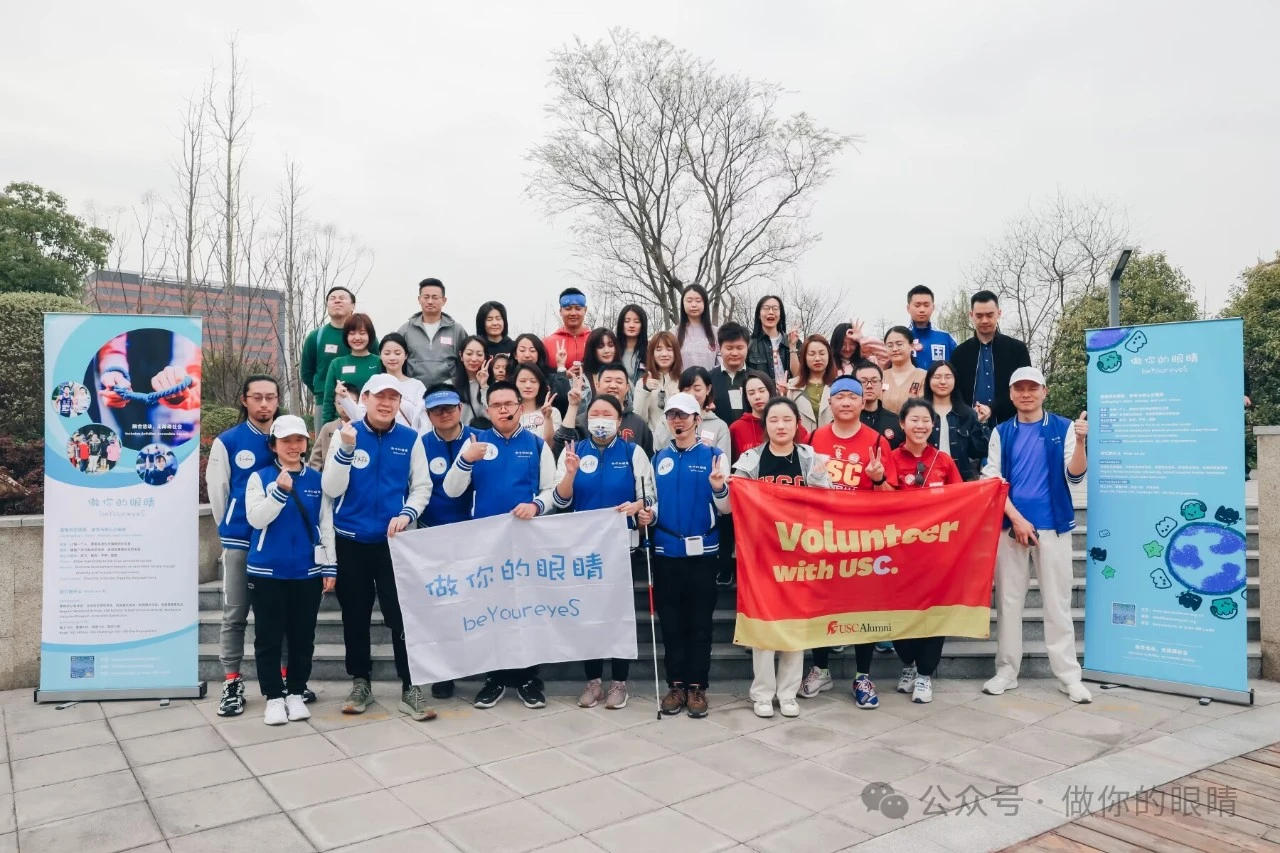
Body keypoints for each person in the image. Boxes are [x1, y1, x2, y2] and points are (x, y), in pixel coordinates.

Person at [443, 380, 567, 710]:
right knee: (491, 611)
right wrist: (466, 460)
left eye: (509, 404)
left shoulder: (537, 445)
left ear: (520, 407)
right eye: (496, 405)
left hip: (526, 542)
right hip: (485, 544)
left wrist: (537, 506)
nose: (503, 410)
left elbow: (551, 490)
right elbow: (453, 490)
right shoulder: (474, 442)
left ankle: (527, 678)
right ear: (487, 410)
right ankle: (494, 678)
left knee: (527, 610)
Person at [322, 374, 435, 721]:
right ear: (365, 398)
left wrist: (407, 513)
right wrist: (345, 450)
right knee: (354, 617)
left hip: (394, 544)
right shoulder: (346, 434)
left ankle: (410, 686)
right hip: (351, 541)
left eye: (393, 398)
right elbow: (330, 487)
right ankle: (361, 683)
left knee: (401, 616)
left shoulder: (411, 438)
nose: (386, 404)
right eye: (379, 397)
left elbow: (422, 486)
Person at [981, 367, 1091, 704]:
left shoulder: (1064, 427)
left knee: (1057, 603)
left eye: (1032, 388)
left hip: (1053, 526)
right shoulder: (1002, 431)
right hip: (1010, 527)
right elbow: (994, 480)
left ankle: (1069, 676)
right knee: (1009, 602)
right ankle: (1006, 671)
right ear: (1011, 394)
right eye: (1019, 389)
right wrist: (1016, 519)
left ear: (1045, 391)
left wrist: (1083, 441)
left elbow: (1075, 476)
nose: (1026, 394)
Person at [731, 396, 831, 718]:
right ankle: (762, 693)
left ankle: (788, 693)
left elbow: (827, 501)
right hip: (760, 555)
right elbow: (729, 506)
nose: (781, 426)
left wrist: (818, 479)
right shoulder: (750, 460)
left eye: (787, 420)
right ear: (765, 425)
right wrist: (723, 487)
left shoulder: (810, 458)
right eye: (774, 420)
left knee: (795, 625)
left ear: (797, 425)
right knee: (763, 624)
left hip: (799, 553)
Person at [554, 393, 654, 710]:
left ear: (618, 420)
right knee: (588, 617)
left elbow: (648, 497)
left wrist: (639, 506)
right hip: (583, 550)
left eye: (606, 413)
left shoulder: (633, 452)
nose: (600, 418)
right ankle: (593, 681)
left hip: (621, 549)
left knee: (618, 616)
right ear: (586, 419)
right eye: (594, 413)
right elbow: (561, 500)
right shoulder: (574, 451)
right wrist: (570, 472)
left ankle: (619, 683)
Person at [801, 376, 897, 706]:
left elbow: (892, 496)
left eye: (851, 396)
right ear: (830, 403)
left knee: (862, 606)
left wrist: (878, 478)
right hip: (824, 536)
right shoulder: (815, 438)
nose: (845, 402)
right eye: (839, 396)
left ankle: (862, 676)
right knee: (821, 603)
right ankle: (821, 668)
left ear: (862, 402)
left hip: (862, 539)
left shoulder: (876, 442)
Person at [638, 392, 732, 718]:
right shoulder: (657, 458)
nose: (677, 420)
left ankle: (697, 687)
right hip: (667, 550)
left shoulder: (714, 455)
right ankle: (675, 684)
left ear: (696, 419)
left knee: (700, 624)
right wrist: (648, 514)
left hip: (703, 551)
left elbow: (726, 507)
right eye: (672, 415)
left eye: (684, 415)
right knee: (672, 624)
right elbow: (651, 501)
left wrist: (720, 487)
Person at [243, 415, 336, 725]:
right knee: (268, 638)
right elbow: (256, 519)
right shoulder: (259, 478)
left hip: (307, 573)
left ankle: (296, 692)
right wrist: (280, 492)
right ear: (273, 445)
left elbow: (326, 525)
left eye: (299, 440)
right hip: (267, 572)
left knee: (302, 637)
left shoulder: (316, 480)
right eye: (286, 441)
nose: (294, 446)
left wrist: (330, 566)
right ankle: (273, 697)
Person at [206, 375, 280, 717]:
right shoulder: (229, 441)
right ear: (245, 400)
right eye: (257, 397)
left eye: (270, 398)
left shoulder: (288, 438)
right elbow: (218, 492)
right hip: (240, 542)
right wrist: (232, 529)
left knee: (280, 615)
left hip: (279, 543)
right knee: (235, 614)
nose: (264, 404)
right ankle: (232, 682)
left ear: (278, 401)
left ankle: (283, 679)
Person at [887, 398, 964, 704]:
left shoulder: (944, 461)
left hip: (937, 555)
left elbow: (961, 500)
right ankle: (908, 663)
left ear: (933, 426)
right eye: (914, 420)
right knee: (899, 612)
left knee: (935, 615)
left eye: (926, 420)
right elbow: (884, 502)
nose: (920, 426)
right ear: (902, 424)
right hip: (900, 554)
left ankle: (924, 675)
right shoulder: (891, 459)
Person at [417, 384, 484, 700]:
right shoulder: (420, 445)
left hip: (475, 538)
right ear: (428, 414)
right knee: (440, 607)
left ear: (460, 408)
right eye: (436, 410)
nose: (444, 414)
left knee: (476, 604)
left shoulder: (479, 440)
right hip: (434, 535)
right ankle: (444, 671)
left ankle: (481, 663)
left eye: (449, 407)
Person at [951, 290, 1032, 426]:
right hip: (969, 427)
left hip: (1010, 425)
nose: (984, 320)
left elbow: (1024, 387)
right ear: (971, 315)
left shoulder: (1017, 349)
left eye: (989, 315)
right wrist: (969, 412)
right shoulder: (960, 353)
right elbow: (955, 391)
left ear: (999, 313)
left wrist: (992, 408)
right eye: (979, 315)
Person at [335, 332, 427, 430]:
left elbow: (424, 422)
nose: (392, 358)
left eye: (397, 353)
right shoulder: (372, 383)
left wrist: (418, 443)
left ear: (406, 355)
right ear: (380, 355)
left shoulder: (417, 386)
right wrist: (345, 398)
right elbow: (360, 417)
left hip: (408, 442)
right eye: (387, 353)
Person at [564, 363, 655, 456]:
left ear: (627, 388)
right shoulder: (583, 420)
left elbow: (647, 458)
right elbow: (564, 447)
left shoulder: (638, 422)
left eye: (619, 382)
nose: (613, 386)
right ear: (597, 385)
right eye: (607, 381)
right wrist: (573, 406)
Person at [923, 361, 990, 481]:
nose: (942, 381)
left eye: (948, 377)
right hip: (927, 478)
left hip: (960, 480)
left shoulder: (967, 414)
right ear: (928, 380)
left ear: (955, 380)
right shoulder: (920, 412)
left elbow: (979, 451)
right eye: (937, 377)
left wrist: (981, 424)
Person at [300, 286, 355, 424]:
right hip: (324, 404)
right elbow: (306, 373)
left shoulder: (364, 336)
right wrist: (323, 392)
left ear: (353, 305)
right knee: (325, 443)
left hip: (359, 403)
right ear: (327, 306)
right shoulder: (316, 337)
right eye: (332, 298)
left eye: (342, 298)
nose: (337, 301)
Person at [729, 371, 811, 463]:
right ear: (746, 397)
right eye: (751, 393)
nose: (757, 396)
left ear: (770, 391)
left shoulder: (790, 425)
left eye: (762, 391)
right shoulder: (737, 429)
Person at [400, 278, 466, 389]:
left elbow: (465, 361)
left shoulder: (456, 330)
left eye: (435, 297)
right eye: (426, 297)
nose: (430, 301)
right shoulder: (405, 330)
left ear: (444, 300)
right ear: (419, 299)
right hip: (414, 391)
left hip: (448, 391)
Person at [653, 366, 730, 455]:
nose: (691, 394)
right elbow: (659, 452)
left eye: (697, 389)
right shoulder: (666, 420)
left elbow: (722, 463)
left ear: (708, 389)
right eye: (686, 390)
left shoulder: (719, 426)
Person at [322, 313, 381, 424]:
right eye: (352, 333)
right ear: (346, 336)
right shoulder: (337, 364)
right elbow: (329, 401)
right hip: (343, 424)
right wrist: (327, 426)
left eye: (362, 333)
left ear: (370, 335)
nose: (357, 337)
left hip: (373, 423)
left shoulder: (379, 362)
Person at [635, 331, 683, 435]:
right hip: (652, 444)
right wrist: (646, 391)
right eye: (658, 349)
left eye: (669, 349)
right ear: (652, 353)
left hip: (679, 440)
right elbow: (638, 420)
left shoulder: (683, 382)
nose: (664, 354)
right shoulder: (642, 382)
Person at [788, 335, 836, 433]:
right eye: (812, 354)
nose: (817, 358)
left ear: (829, 356)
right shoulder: (793, 389)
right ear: (804, 357)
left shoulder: (839, 387)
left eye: (822, 353)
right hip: (802, 445)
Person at [747, 295, 801, 382]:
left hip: (789, 395)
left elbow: (798, 377)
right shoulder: (749, 344)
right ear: (759, 315)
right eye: (766, 308)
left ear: (780, 315)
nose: (771, 312)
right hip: (761, 395)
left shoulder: (793, 341)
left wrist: (792, 346)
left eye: (775, 309)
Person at [906, 285, 957, 370]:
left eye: (926, 305)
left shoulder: (946, 338)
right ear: (908, 308)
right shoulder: (902, 339)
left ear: (933, 307)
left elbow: (959, 368)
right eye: (917, 305)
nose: (922, 310)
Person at [710, 322, 750, 427]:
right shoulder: (708, 379)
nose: (735, 353)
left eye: (740, 348)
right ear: (719, 348)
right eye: (729, 348)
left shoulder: (757, 379)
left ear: (747, 347)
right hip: (717, 438)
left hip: (751, 439)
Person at [880, 326, 927, 416]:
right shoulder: (880, 377)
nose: (894, 349)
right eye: (890, 345)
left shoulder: (924, 377)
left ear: (912, 346)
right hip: (881, 429)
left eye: (899, 344)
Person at [544, 287, 592, 374]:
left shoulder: (596, 340)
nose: (573, 313)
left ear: (585, 310)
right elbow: (542, 377)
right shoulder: (546, 343)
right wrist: (563, 375)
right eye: (568, 308)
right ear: (560, 311)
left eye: (578, 308)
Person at [854, 361, 902, 446]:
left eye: (874, 381)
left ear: (881, 384)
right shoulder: (844, 421)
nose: (869, 386)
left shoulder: (896, 422)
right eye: (863, 381)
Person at [512, 362, 561, 445]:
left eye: (533, 381)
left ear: (540, 385)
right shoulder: (509, 413)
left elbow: (550, 446)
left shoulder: (553, 412)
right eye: (523, 381)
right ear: (515, 384)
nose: (528, 385)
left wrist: (548, 418)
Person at [676, 283, 719, 370]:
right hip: (681, 383)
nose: (694, 305)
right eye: (689, 301)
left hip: (710, 382)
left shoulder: (717, 333)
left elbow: (721, 364)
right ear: (682, 303)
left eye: (698, 301)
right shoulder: (673, 333)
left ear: (705, 304)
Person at [579, 328, 621, 408]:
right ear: (592, 350)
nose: (607, 351)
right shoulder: (583, 379)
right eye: (601, 346)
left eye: (611, 345)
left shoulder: (623, 376)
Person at [456, 335, 491, 424]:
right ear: (461, 355)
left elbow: (492, 416)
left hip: (483, 437)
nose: (474, 359)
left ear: (485, 357)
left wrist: (484, 386)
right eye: (469, 354)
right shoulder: (449, 386)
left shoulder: (493, 386)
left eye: (479, 354)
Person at [616, 304, 649, 387]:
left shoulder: (650, 351)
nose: (631, 325)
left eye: (637, 321)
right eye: (627, 321)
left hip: (642, 398)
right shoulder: (612, 350)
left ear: (643, 325)